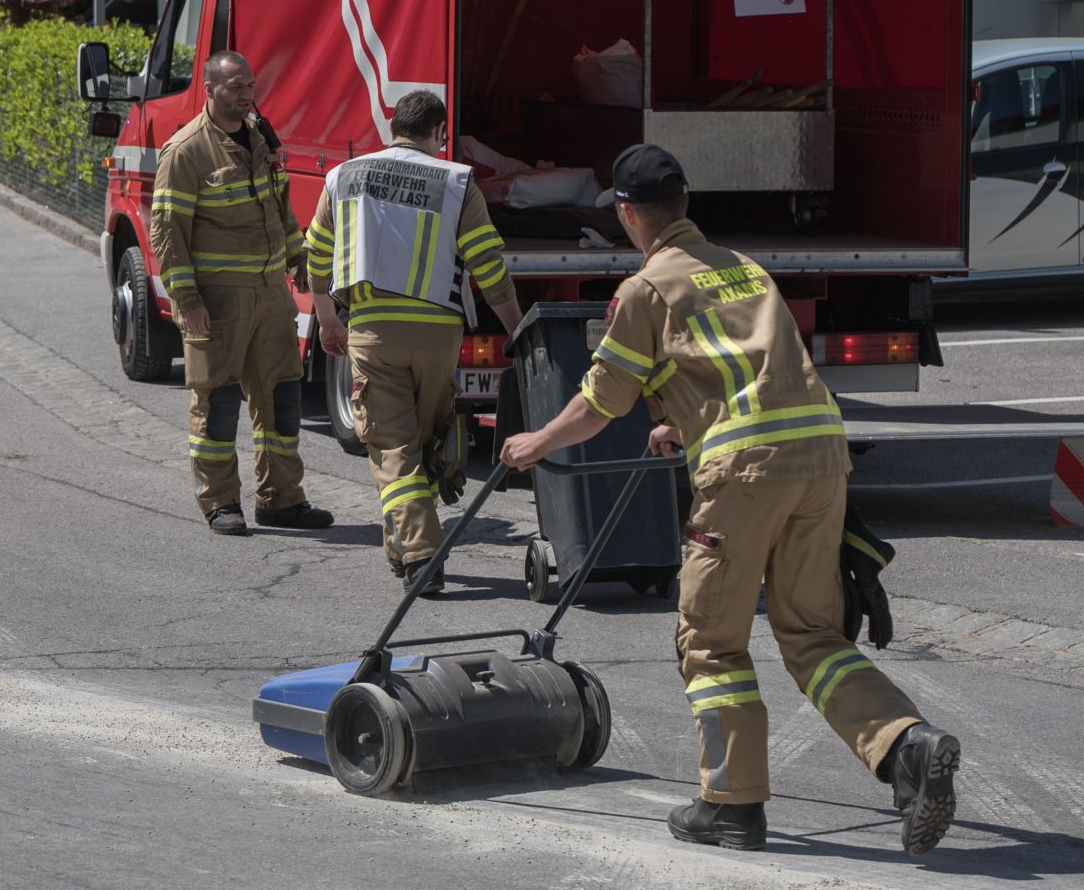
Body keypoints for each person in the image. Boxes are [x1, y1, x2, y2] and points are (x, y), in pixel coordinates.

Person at [498, 143, 960, 856]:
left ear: (627, 213)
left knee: (710, 641)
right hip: (820, 458)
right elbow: (747, 368)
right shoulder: (745, 267)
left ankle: (732, 805)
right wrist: (680, 419)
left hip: (745, 473)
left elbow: (599, 401)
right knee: (812, 636)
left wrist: (535, 443)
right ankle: (907, 743)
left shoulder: (647, 288)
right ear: (686, 207)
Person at [305, 90, 523, 594]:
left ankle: (423, 556)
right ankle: (400, 546)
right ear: (439, 132)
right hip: (438, 335)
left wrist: (328, 320)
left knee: (392, 448)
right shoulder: (456, 182)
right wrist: (517, 328)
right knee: (423, 446)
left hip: (374, 333)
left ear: (393, 127)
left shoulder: (344, 176)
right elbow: (488, 265)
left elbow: (315, 254)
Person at [149, 51, 333, 537]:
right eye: (233, 86)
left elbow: (280, 211)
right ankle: (220, 503)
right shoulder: (186, 151)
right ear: (209, 90)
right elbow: (167, 231)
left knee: (282, 399)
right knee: (219, 401)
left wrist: (298, 261)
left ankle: (281, 501)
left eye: (249, 84)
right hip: (218, 300)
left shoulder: (260, 141)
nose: (245, 93)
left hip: (271, 294)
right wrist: (186, 299)